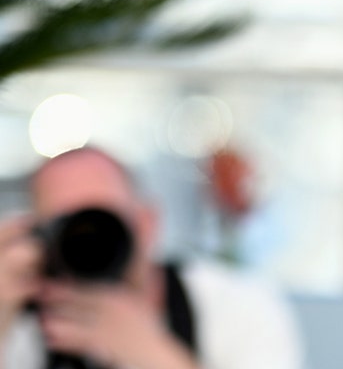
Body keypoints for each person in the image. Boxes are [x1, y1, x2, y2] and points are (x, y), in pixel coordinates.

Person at [0, 146, 303, 369]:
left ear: (147, 223)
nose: (88, 243)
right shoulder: (21, 324)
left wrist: (154, 355)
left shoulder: (237, 307)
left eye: (103, 223)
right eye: (67, 228)